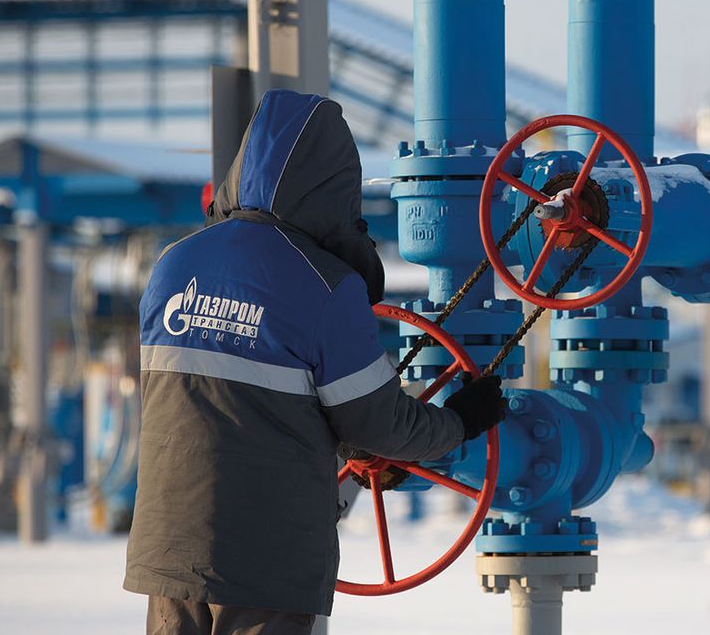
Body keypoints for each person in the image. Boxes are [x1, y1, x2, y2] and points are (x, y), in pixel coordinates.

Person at [124, 89, 505, 634]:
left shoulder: (172, 265)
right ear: (334, 185)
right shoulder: (325, 286)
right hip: (265, 561)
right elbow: (380, 425)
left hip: (168, 553)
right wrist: (461, 421)